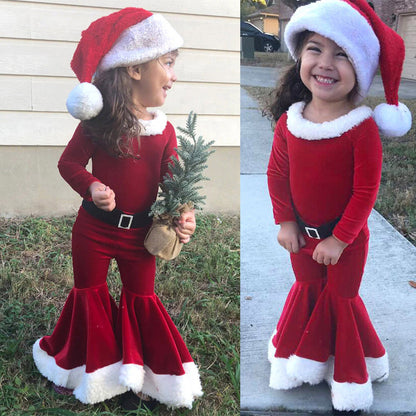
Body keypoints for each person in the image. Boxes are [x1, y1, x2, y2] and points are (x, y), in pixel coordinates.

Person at [32, 7, 202, 410]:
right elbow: (68, 163)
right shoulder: (98, 121)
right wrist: (90, 186)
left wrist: (184, 214)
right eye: (168, 62)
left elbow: (174, 184)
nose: (173, 74)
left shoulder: (165, 132)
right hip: (93, 229)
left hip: (140, 237)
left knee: (140, 296)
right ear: (135, 69)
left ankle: (142, 372)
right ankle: (81, 368)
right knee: (89, 293)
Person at [266, 0, 411, 414]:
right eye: (316, 48)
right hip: (302, 238)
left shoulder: (360, 129)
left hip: (345, 241)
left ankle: (348, 377)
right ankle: (306, 358)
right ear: (300, 57)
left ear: (360, 70)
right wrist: (286, 222)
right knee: (309, 292)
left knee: (341, 299)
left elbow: (365, 192)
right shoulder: (289, 123)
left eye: (342, 53)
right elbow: (277, 176)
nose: (326, 63)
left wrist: (341, 238)